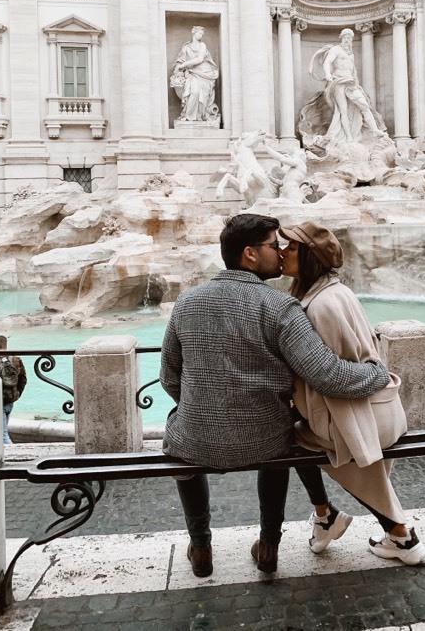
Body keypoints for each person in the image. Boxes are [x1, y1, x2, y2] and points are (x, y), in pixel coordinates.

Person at [159, 213, 390, 578]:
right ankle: (269, 546)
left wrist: (203, 407)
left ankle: (200, 546)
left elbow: (169, 377)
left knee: (177, 439)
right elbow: (329, 376)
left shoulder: (186, 302)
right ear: (250, 254)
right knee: (282, 443)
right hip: (264, 439)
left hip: (196, 438)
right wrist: (376, 372)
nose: (280, 253)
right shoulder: (280, 307)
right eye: (273, 245)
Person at [279, 222, 425, 564]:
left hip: (358, 417)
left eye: (291, 247)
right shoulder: (336, 291)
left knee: (293, 439)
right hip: (383, 410)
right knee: (336, 457)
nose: (283, 251)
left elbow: (333, 378)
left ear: (309, 257)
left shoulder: (319, 307)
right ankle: (332, 519)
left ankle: (399, 536)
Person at [308, 28, 384, 143]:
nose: (347, 40)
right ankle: (348, 137)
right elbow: (327, 62)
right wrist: (328, 74)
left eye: (349, 38)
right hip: (338, 81)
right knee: (342, 110)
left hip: (351, 82)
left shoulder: (351, 54)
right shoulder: (335, 50)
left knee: (364, 105)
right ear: (341, 38)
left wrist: (357, 84)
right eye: (345, 37)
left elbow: (353, 72)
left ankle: (375, 130)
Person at [170, 26, 219, 122]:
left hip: (204, 73)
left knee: (202, 95)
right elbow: (180, 60)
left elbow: (200, 59)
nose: (201, 35)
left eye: (202, 34)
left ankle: (199, 116)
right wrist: (178, 67)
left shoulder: (202, 45)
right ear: (194, 33)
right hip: (192, 73)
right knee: (194, 92)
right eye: (199, 33)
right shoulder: (187, 47)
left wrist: (184, 65)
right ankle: (188, 116)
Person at [0, 334, 27, 446]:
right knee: (4, 431)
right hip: (11, 399)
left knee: (3, 436)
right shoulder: (15, 359)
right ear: (6, 345)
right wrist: (17, 394)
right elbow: (23, 379)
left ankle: (16, 456)